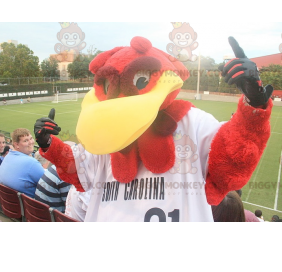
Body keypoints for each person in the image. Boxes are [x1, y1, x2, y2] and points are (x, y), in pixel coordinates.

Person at [35, 36, 273, 222]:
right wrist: (50, 146)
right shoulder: (105, 129)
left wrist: (254, 106)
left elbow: (230, 166)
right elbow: (79, 169)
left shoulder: (193, 123)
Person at [0, 128, 44, 198]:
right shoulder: (31, 163)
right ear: (17, 144)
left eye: (31, 138)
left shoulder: (8, 156)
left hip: (8, 203)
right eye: (26, 141)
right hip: (29, 206)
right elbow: (49, 184)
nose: (31, 142)